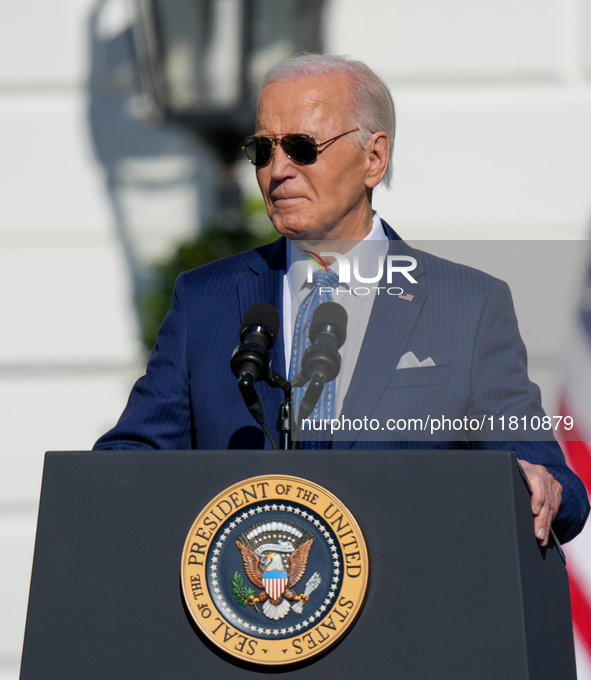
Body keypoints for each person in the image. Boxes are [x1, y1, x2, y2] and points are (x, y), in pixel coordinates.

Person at [94, 54, 589, 545]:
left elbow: (549, 480)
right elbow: (125, 464)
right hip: (249, 604)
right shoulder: (205, 300)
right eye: (262, 150)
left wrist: (542, 488)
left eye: (302, 147)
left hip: (408, 611)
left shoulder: (468, 306)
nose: (278, 170)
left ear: (374, 159)